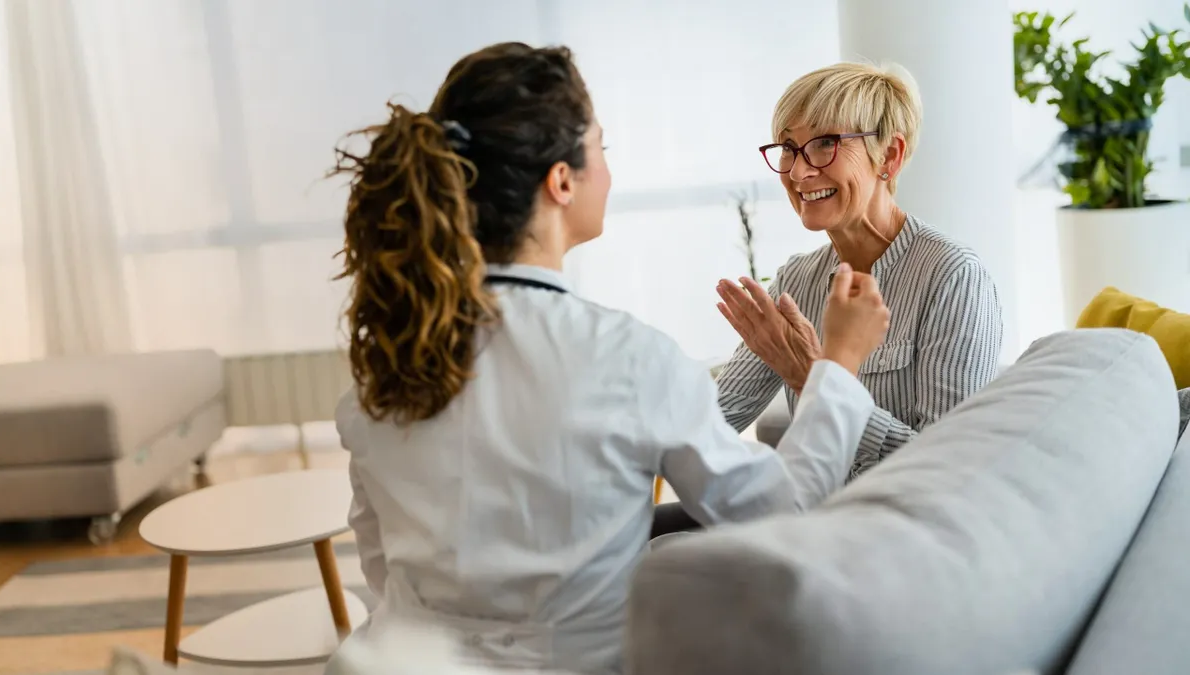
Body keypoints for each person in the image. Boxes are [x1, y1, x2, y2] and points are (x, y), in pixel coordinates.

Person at [328, 42, 891, 675]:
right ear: (562, 180)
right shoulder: (627, 360)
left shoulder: (390, 359)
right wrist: (837, 365)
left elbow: (380, 564)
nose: (610, 172)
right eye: (602, 148)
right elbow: (778, 511)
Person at [715, 62, 1003, 478]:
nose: (798, 172)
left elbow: (950, 470)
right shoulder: (796, 281)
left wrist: (819, 383)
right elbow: (712, 420)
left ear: (889, 155)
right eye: (789, 147)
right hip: (814, 525)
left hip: (906, 535)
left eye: (824, 143)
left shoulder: (953, 277)